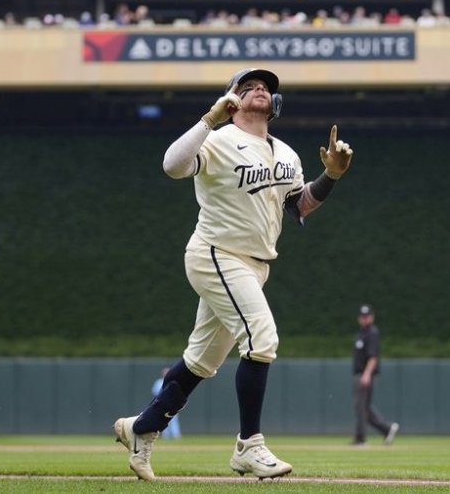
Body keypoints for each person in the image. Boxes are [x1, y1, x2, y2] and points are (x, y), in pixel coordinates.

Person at [113, 67, 354, 482]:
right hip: (216, 254)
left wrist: (331, 175)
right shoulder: (218, 140)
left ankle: (139, 427)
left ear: (275, 104)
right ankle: (249, 446)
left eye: (265, 88)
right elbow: (172, 165)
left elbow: (298, 206)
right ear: (233, 99)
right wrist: (210, 117)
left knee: (201, 362)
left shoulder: (287, 154)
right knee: (262, 338)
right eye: (249, 87)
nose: (259, 91)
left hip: (254, 265)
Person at [351, 304, 399, 447]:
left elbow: (373, 357)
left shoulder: (372, 332)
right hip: (359, 373)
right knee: (364, 408)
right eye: (362, 316)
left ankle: (361, 439)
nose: (365, 319)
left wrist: (367, 374)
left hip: (364, 374)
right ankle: (387, 428)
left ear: (372, 317)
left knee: (361, 407)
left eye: (367, 316)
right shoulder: (361, 334)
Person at [150, 368, 182, 439]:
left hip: (173, 404)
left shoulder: (174, 381)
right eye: (165, 372)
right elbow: (155, 394)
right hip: (162, 404)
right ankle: (166, 436)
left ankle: (176, 435)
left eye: (168, 372)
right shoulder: (158, 382)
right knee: (163, 420)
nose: (166, 374)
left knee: (173, 420)